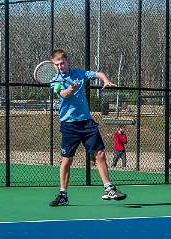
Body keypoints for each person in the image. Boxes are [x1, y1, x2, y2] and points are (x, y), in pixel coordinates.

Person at [48, 49, 127, 207]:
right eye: (56, 64)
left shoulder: (79, 73)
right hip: (69, 124)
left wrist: (105, 80)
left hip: (87, 122)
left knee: (100, 154)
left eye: (62, 63)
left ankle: (108, 189)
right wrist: (71, 88)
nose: (60, 66)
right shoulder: (54, 80)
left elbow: (97, 73)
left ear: (67, 61)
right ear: (53, 65)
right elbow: (63, 94)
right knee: (67, 160)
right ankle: (63, 194)